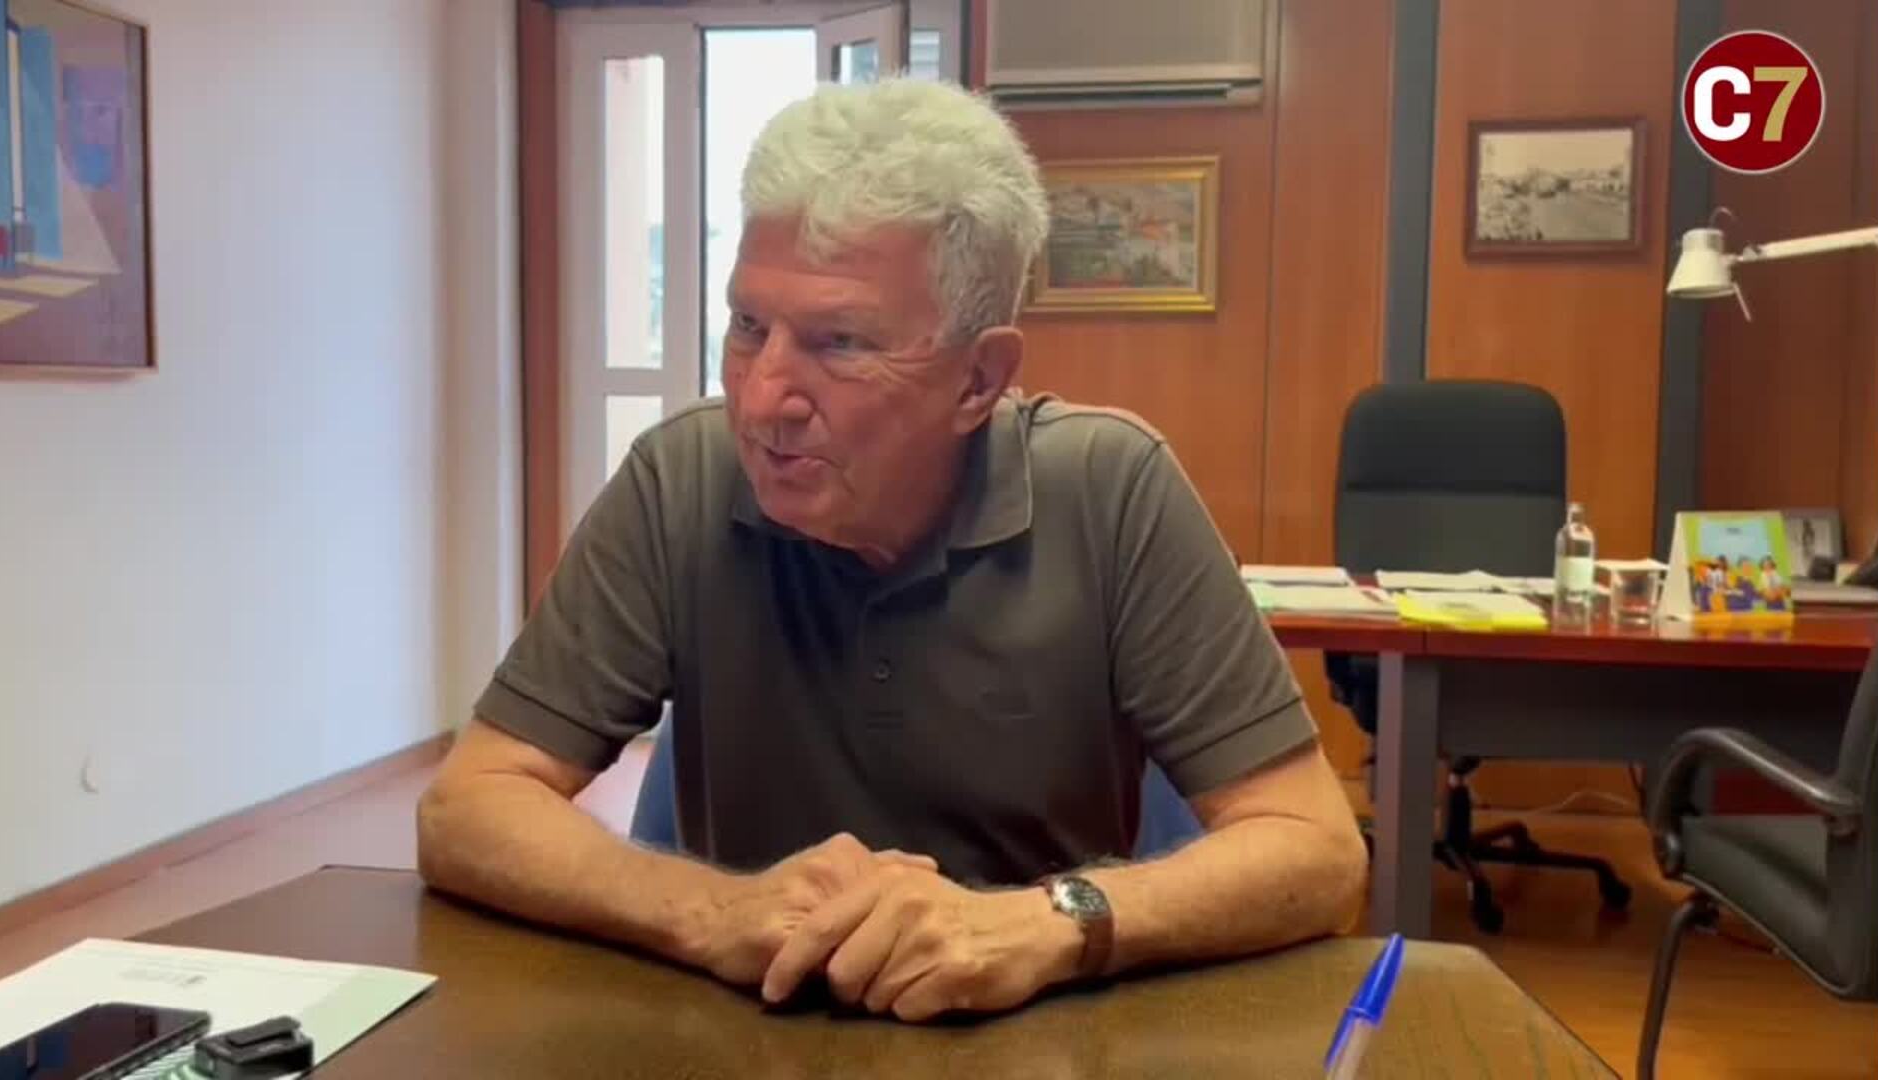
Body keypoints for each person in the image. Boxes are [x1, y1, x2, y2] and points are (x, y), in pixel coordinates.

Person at [417, 79, 1365, 1023]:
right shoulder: (683, 479)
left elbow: (1316, 851)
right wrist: (711, 913)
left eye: (838, 343)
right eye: (749, 326)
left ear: (978, 379)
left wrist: (1045, 925)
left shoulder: (1109, 490)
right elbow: (468, 807)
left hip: (1036, 1036)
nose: (762, 401)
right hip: (749, 1034)